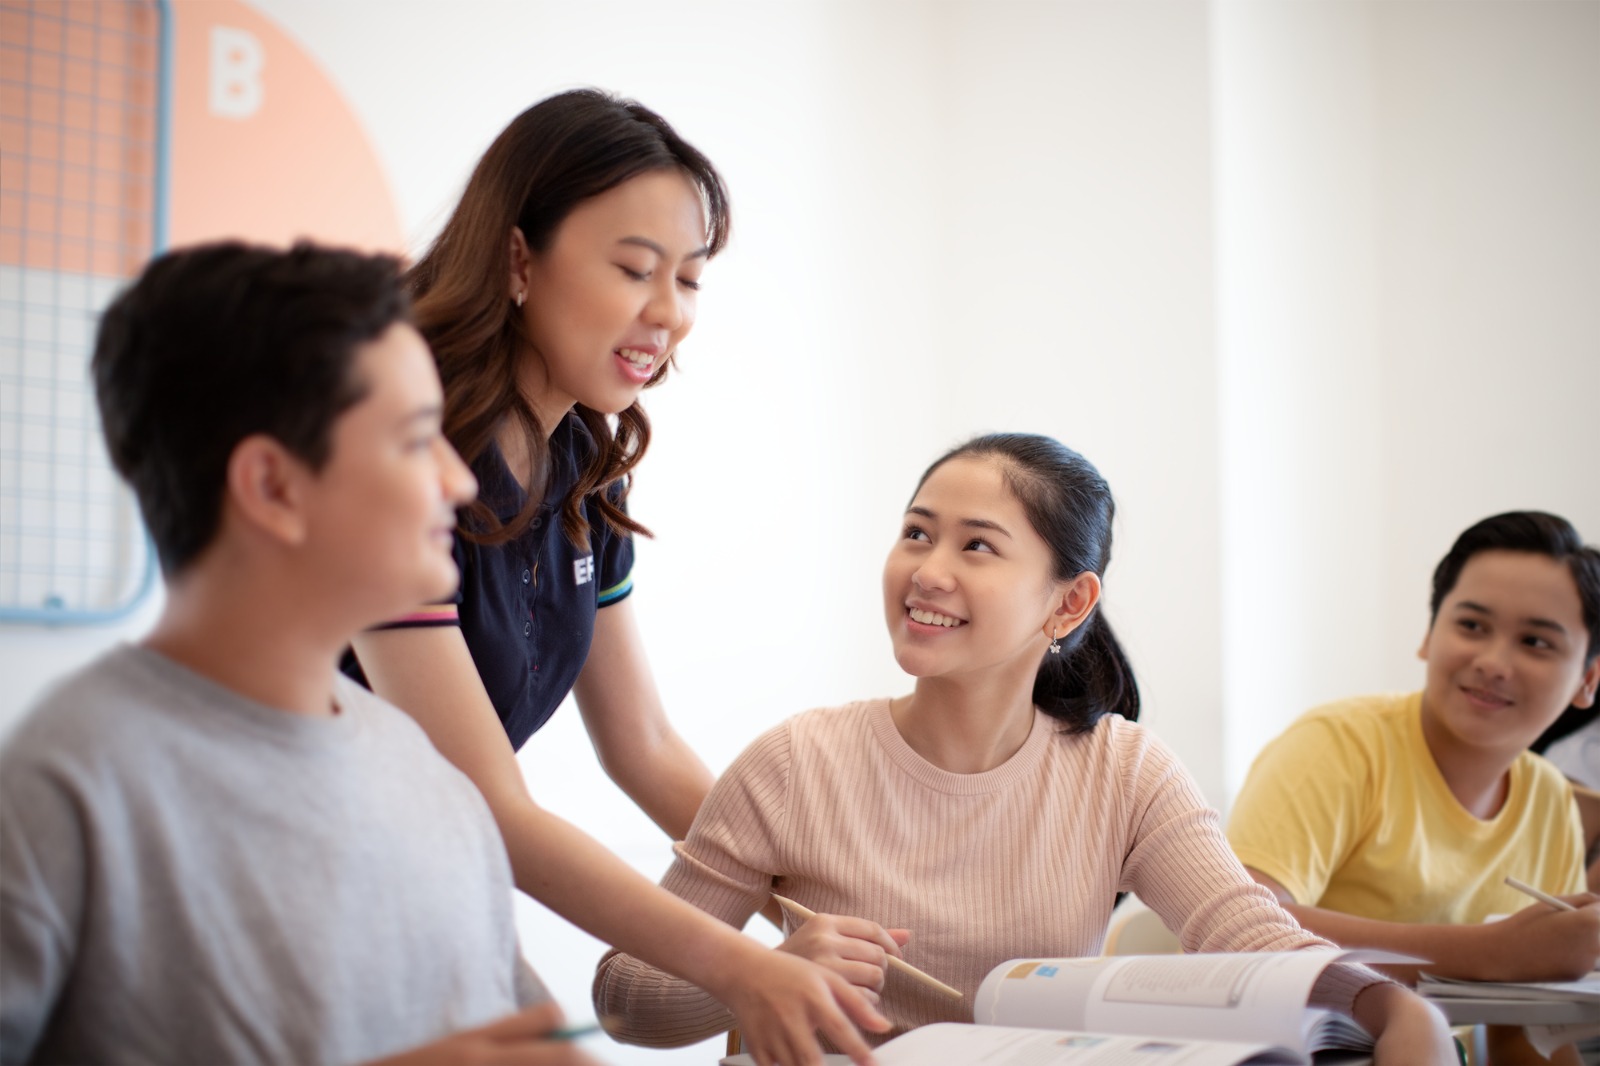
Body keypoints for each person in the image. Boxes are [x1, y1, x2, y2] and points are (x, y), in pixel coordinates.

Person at [592, 433, 1454, 1064]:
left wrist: (1392, 1009)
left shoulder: (1124, 770)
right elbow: (627, 1001)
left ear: (1068, 605)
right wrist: (760, 971)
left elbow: (1243, 932)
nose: (928, 570)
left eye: (978, 546)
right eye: (917, 533)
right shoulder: (795, 761)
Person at [343, 89, 884, 1065]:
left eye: (688, 278)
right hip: (322, 899)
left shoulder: (584, 466)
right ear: (518, 258)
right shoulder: (405, 460)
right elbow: (490, 803)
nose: (667, 314)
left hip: (437, 889)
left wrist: (822, 900)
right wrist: (741, 962)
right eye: (635, 269)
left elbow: (642, 744)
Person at [0, 242, 601, 1065]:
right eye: (416, 439)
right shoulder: (65, 786)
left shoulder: (428, 781)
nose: (459, 483)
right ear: (274, 487)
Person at [1227, 511, 1600, 1065]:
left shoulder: (1549, 800)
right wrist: (1495, 954)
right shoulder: (1337, 746)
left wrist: (1525, 963)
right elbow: (1240, 931)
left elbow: (1524, 1033)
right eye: (1472, 626)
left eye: (1536, 641)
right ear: (1429, 635)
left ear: (1587, 680)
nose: (1493, 662)